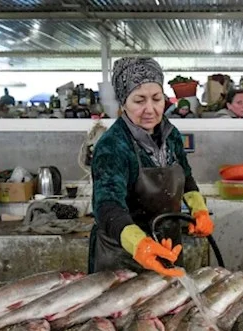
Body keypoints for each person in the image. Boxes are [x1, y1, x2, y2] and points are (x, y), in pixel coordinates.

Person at [89, 57, 213, 276]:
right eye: (139, 100)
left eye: (157, 99)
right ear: (123, 102)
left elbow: (185, 176)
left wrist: (199, 209)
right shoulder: (112, 146)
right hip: (124, 259)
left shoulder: (170, 134)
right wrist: (139, 244)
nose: (150, 109)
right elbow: (107, 205)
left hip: (168, 248)